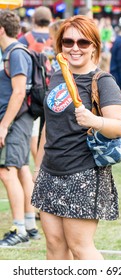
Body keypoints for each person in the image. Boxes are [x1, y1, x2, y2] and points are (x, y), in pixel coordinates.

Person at [31, 15, 121, 260]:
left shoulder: (102, 81)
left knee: (80, 247)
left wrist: (93, 120)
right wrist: (39, 166)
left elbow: (118, 127)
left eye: (83, 42)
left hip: (83, 173)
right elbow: (48, 126)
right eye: (68, 41)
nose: (75, 47)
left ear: (94, 45)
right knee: (54, 245)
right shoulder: (57, 75)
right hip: (51, 170)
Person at [0, 10, 40, 247]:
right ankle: (30, 225)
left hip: (15, 120)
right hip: (20, 120)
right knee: (23, 169)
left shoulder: (15, 53)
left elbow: (18, 91)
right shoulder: (14, 52)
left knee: (6, 171)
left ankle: (19, 229)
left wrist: (4, 125)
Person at [19, 6, 53, 165]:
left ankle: (37, 164)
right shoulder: (56, 38)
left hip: (32, 92)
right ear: (50, 19)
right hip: (54, 89)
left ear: (34, 20)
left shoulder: (26, 38)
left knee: (33, 132)